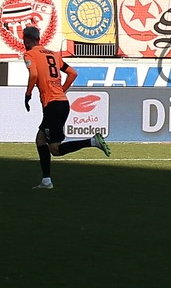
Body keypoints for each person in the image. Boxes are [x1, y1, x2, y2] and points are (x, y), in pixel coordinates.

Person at [22, 25, 107, 189]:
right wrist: (62, 90)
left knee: (55, 149)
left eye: (24, 39)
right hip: (62, 102)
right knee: (40, 139)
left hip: (52, 105)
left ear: (27, 39)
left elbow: (33, 74)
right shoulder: (54, 55)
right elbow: (73, 73)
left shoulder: (30, 54)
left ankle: (92, 142)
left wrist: (28, 94)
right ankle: (46, 181)